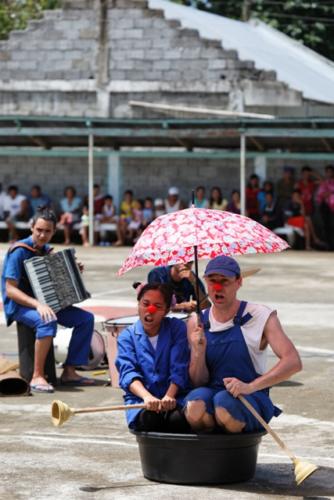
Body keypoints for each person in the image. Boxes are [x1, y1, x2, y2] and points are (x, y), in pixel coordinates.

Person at [184, 255, 302, 433]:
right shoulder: (197, 321)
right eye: (212, 281)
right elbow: (198, 381)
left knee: (223, 406)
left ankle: (234, 454)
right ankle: (210, 452)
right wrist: (199, 353)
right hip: (211, 392)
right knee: (194, 406)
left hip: (251, 395)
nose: (217, 288)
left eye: (224, 281)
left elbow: (293, 362)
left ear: (239, 282)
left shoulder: (260, 315)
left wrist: (249, 386)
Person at [1, 206, 95, 393]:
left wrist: (74, 270)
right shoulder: (18, 251)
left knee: (86, 319)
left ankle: (69, 371)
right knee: (48, 319)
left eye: (47, 231)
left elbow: (57, 283)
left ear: (54, 232)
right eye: (39, 230)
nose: (42, 235)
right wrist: (37, 304)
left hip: (44, 303)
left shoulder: (46, 250)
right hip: (19, 305)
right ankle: (37, 376)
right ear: (31, 228)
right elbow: (10, 290)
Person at [115, 283, 190, 432]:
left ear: (167, 311)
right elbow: (128, 373)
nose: (150, 310)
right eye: (145, 304)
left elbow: (179, 366)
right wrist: (147, 397)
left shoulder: (177, 328)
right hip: (141, 401)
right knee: (150, 420)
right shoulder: (126, 336)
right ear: (138, 304)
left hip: (175, 397)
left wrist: (169, 395)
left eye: (158, 306)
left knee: (177, 420)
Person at [316, 165, 334, 250]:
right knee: (326, 226)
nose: (329, 173)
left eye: (330, 171)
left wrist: (329, 193)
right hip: (325, 207)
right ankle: (329, 245)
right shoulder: (324, 183)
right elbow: (320, 195)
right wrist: (328, 193)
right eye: (327, 172)